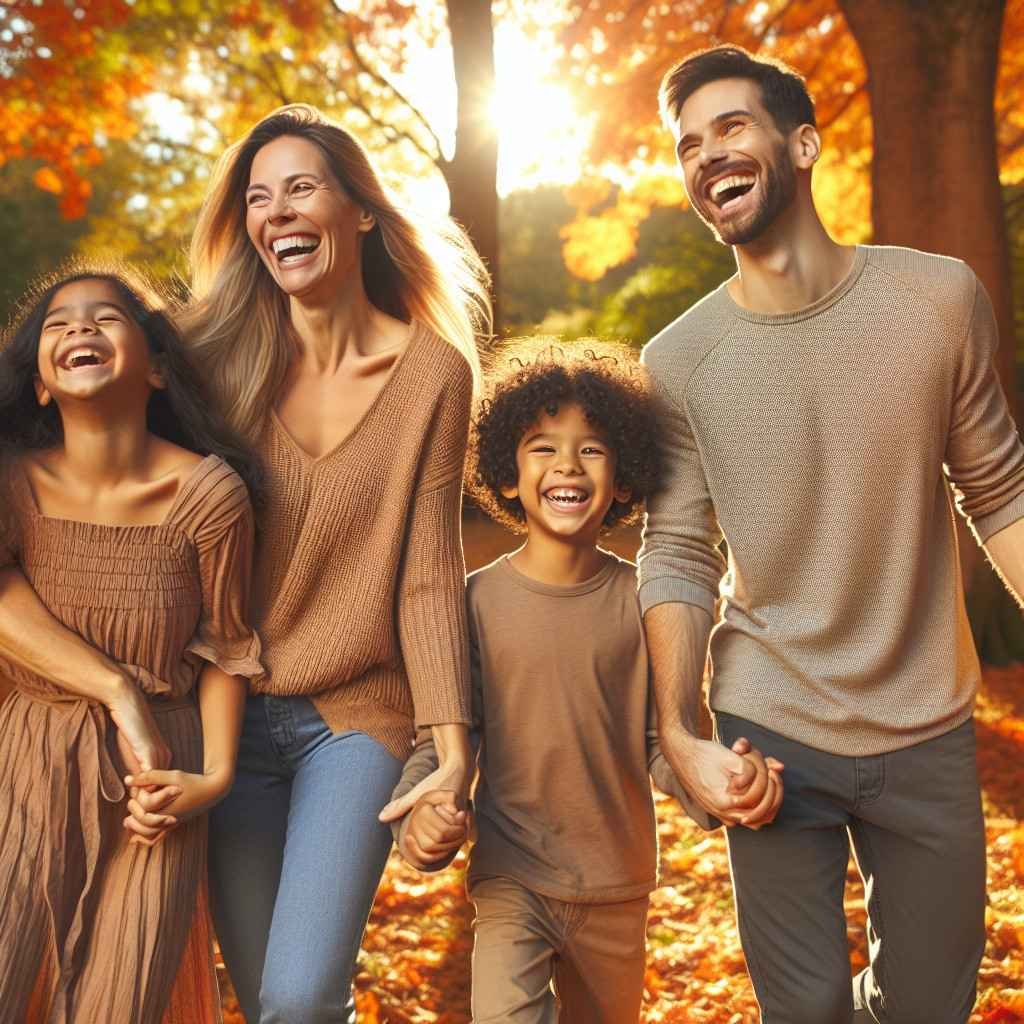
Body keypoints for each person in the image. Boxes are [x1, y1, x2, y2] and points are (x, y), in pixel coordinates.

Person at [642, 44, 1024, 1024]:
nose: (704, 155)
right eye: (687, 144)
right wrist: (680, 733)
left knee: (926, 1009)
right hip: (770, 729)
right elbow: (678, 549)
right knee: (802, 1013)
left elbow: (999, 490)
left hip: (929, 722)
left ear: (801, 142)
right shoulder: (679, 359)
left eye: (729, 126)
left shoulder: (936, 300)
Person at [174, 104, 491, 1023]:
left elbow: (428, 570)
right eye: (259, 198)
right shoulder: (210, 362)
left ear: (358, 210)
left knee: (300, 995)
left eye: (301, 187)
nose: (277, 213)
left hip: (351, 716)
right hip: (225, 716)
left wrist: (451, 745)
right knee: (270, 996)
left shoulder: (432, 371)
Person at [380, 340, 782, 1023]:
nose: (567, 463)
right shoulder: (469, 605)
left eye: (592, 448)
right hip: (512, 879)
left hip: (617, 887)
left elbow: (665, 742)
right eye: (543, 446)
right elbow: (445, 734)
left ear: (625, 479)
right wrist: (422, 819)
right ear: (508, 474)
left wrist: (721, 788)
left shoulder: (646, 605)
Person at [0, 265, 263, 1023]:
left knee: (122, 1004)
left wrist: (208, 781)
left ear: (155, 368)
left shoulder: (211, 495)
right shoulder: (11, 484)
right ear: (42, 384)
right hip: (25, 758)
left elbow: (225, 647)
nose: (80, 327)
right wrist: (116, 690)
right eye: (58, 322)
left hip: (159, 788)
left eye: (106, 317)